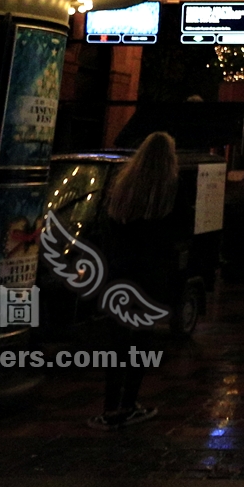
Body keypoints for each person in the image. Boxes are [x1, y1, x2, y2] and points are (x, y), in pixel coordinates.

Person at [91, 131, 181, 430]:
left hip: (119, 273)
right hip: (148, 275)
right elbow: (171, 238)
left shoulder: (123, 186)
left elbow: (106, 226)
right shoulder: (168, 191)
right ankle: (129, 403)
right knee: (140, 339)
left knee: (117, 341)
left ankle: (110, 405)